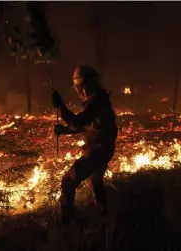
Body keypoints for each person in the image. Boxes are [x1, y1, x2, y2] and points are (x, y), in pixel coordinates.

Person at [52, 65, 118, 224]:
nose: (80, 92)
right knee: (95, 182)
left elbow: (79, 122)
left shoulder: (98, 101)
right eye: (78, 89)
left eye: (82, 88)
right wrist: (65, 130)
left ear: (91, 84)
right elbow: (88, 126)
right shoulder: (100, 100)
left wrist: (61, 107)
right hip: (103, 149)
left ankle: (67, 223)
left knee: (68, 180)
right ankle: (104, 217)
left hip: (99, 151)